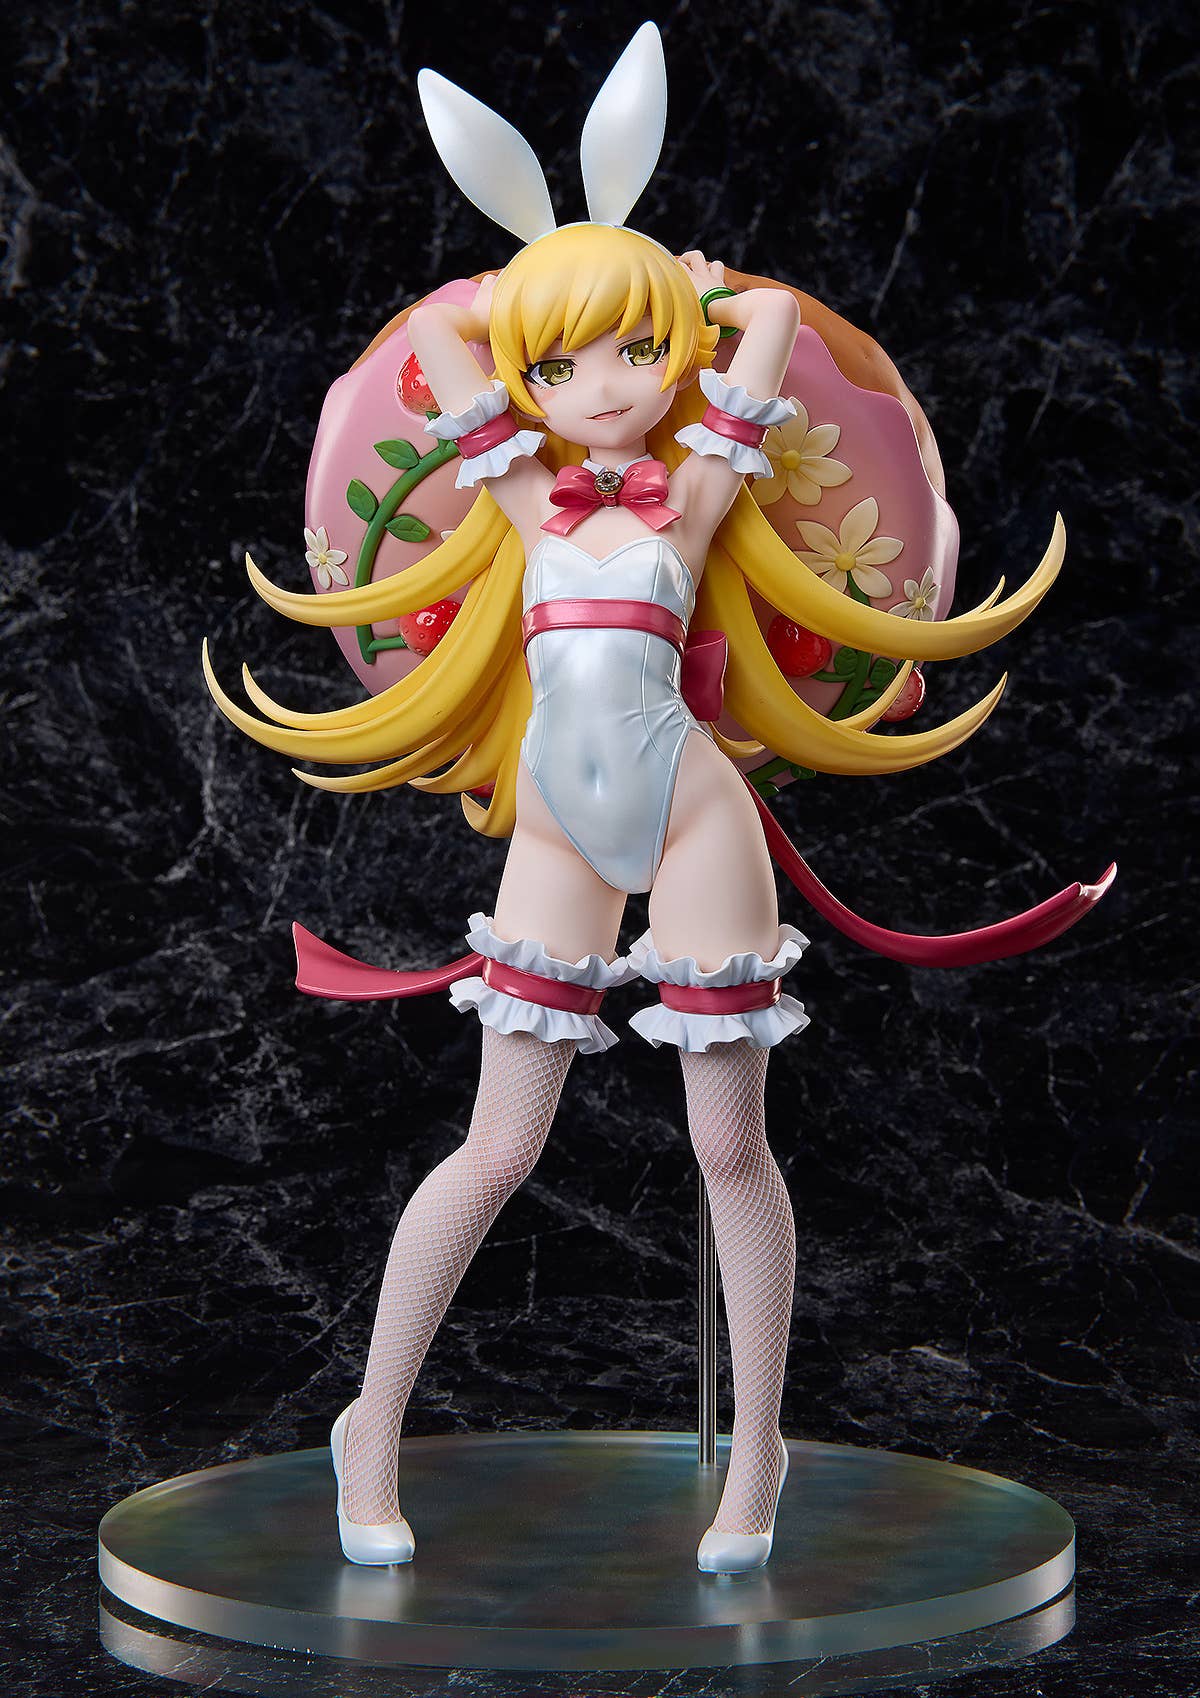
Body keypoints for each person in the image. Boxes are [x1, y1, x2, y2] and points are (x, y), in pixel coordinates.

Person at [201, 23, 1111, 1574]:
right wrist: (530, 285)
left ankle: (755, 1455)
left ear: (671, 348)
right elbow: (446, 352)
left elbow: (770, 328)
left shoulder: (690, 496)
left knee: (728, 1148)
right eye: (564, 366)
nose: (603, 389)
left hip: (693, 815)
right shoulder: (522, 492)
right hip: (563, 826)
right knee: (496, 1149)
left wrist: (684, 287)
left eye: (632, 351)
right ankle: (371, 1419)